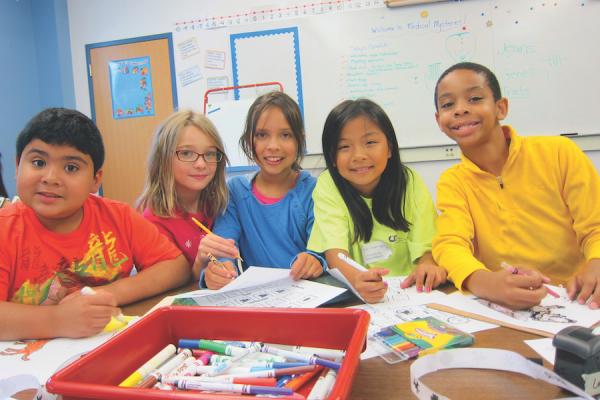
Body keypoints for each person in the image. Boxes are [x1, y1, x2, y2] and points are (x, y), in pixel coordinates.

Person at [0, 108, 190, 340]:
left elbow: (175, 266)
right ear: (18, 164)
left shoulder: (117, 217)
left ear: (96, 179)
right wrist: (57, 320)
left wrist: (105, 295)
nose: (50, 178)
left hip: (105, 345)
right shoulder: (5, 229)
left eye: (71, 167)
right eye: (38, 162)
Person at [432, 62, 600, 310]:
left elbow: (595, 225)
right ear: (439, 120)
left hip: (578, 298)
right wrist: (484, 282)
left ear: (501, 108)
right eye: (448, 104)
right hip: (506, 307)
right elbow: (450, 244)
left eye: (475, 98)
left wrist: (596, 263)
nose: (460, 110)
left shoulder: (559, 153)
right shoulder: (453, 181)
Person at [308, 99, 444, 303]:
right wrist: (357, 279)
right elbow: (336, 254)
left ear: (389, 148)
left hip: (411, 294)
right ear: (332, 157)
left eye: (370, 143)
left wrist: (427, 265)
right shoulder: (328, 185)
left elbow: (425, 246)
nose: (359, 155)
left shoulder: (410, 182)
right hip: (359, 296)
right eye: (344, 146)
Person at [198, 91, 325, 289]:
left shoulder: (314, 191)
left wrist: (315, 260)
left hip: (306, 299)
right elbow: (223, 249)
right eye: (262, 135)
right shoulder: (236, 192)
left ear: (300, 140)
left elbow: (322, 252)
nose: (273, 146)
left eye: (285, 135)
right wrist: (219, 271)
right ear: (249, 141)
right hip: (257, 303)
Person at [137, 111, 229, 280]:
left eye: (209, 154)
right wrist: (200, 264)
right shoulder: (153, 221)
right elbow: (169, 285)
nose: (201, 164)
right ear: (163, 159)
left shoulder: (221, 204)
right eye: (186, 153)